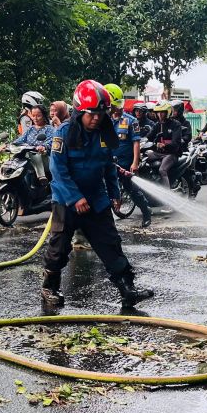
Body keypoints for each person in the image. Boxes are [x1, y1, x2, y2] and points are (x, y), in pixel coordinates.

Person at [41, 80, 154, 308]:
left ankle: (127, 290)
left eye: (100, 114)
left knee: (110, 243)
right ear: (79, 111)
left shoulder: (104, 132)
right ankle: (50, 287)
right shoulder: (64, 133)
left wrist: (114, 193)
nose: (96, 119)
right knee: (59, 247)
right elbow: (58, 171)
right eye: (91, 114)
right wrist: (75, 198)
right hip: (67, 200)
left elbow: (108, 165)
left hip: (96, 197)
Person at [106, 83, 151, 228]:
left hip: (125, 163)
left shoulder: (131, 121)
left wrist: (135, 162)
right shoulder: (105, 121)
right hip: (109, 162)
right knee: (105, 191)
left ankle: (146, 211)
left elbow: (136, 142)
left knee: (132, 190)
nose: (116, 108)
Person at [147, 101, 188, 188]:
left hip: (171, 153)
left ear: (167, 112)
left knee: (162, 170)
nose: (160, 114)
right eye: (158, 112)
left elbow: (176, 143)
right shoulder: (157, 125)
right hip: (158, 153)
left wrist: (164, 145)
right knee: (144, 159)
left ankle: (166, 194)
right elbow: (149, 137)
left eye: (162, 112)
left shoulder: (176, 124)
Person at [13, 105, 55, 183]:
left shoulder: (50, 129)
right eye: (33, 116)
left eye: (38, 116)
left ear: (44, 116)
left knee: (34, 154)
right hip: (30, 160)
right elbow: (20, 140)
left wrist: (43, 147)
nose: (35, 118)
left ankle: (41, 176)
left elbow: (50, 142)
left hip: (44, 158)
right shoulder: (30, 129)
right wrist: (7, 146)